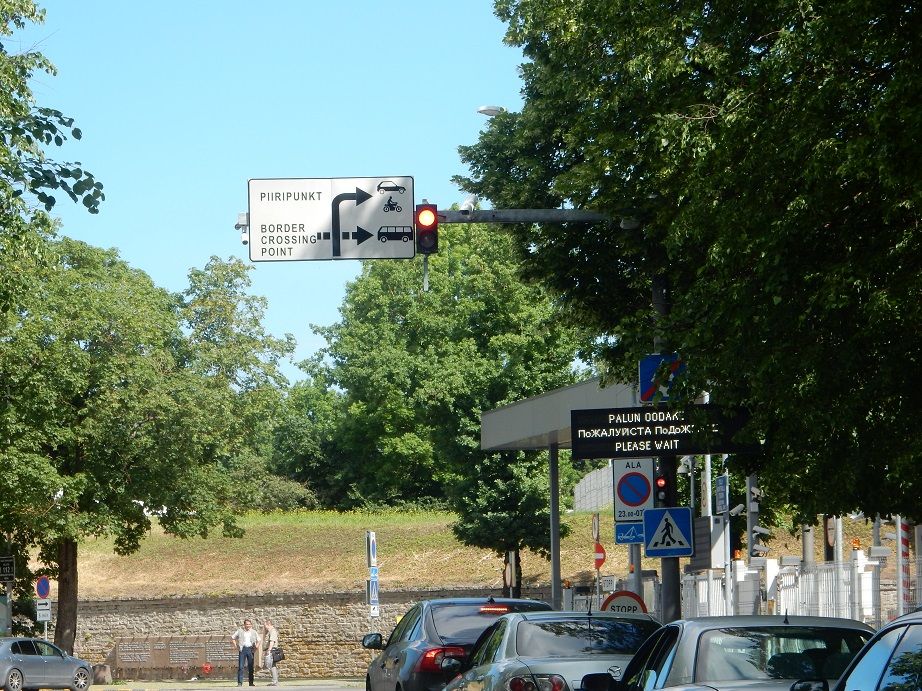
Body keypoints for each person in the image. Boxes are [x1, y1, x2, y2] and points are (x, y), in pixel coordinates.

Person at [231, 618, 260, 686]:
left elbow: (259, 640)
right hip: (242, 649)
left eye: (249, 624)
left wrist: (256, 647)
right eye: (247, 624)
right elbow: (233, 638)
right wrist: (236, 646)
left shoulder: (254, 632)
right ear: (244, 625)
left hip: (250, 649)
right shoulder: (240, 631)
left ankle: (251, 682)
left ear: (251, 625)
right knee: (241, 667)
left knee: (251, 667)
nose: (248, 626)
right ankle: (240, 683)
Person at [262, 619, 280, 686]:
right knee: (272, 665)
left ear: (268, 624)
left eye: (265, 625)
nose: (264, 627)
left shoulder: (272, 631)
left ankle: (275, 681)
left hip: (272, 650)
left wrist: (269, 650)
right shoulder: (269, 631)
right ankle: (275, 681)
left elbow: (272, 641)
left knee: (272, 665)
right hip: (270, 649)